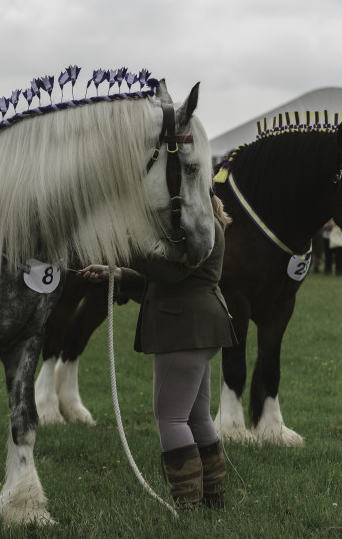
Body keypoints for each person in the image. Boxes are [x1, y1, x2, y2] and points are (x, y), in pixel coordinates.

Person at [81, 194, 237, 509]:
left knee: (171, 418)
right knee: (196, 416)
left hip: (184, 327)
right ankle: (212, 500)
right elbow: (168, 278)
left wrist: (125, 242)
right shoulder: (203, 222)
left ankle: (188, 507)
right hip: (199, 325)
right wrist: (119, 273)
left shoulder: (195, 225)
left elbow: (169, 274)